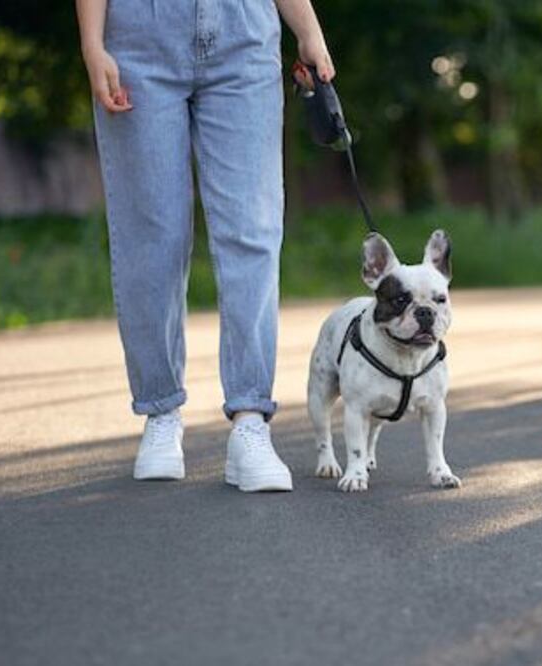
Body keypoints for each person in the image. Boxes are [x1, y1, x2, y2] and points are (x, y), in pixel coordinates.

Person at [75, 0, 335, 491]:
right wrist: (93, 43)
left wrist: (308, 29)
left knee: (252, 230)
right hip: (139, 36)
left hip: (244, 33)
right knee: (151, 233)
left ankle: (251, 420)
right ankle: (161, 413)